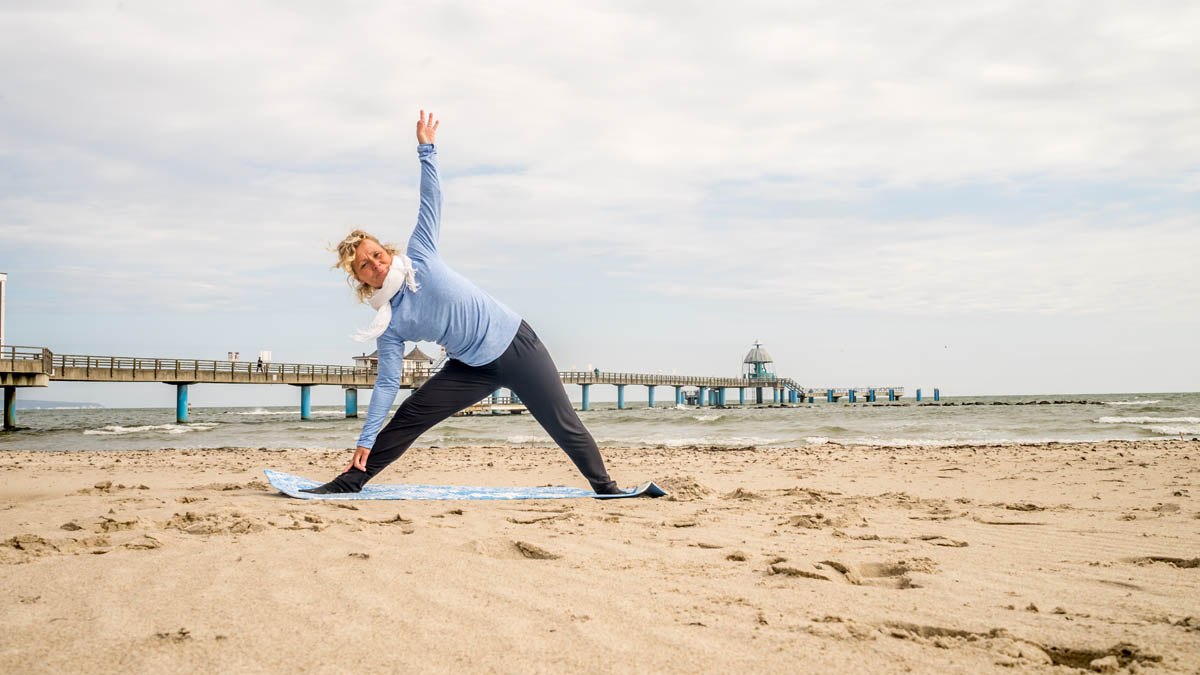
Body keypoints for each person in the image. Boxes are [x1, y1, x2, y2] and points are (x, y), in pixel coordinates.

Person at [302, 110, 622, 495]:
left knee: (561, 421)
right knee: (410, 413)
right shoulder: (387, 321)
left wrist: (427, 150)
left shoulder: (421, 256)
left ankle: (605, 486)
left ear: (385, 250)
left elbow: (431, 198)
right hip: (471, 367)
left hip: (516, 345)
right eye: (364, 266)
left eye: (375, 254)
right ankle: (350, 481)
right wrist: (365, 438)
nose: (374, 264)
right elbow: (387, 383)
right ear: (361, 279)